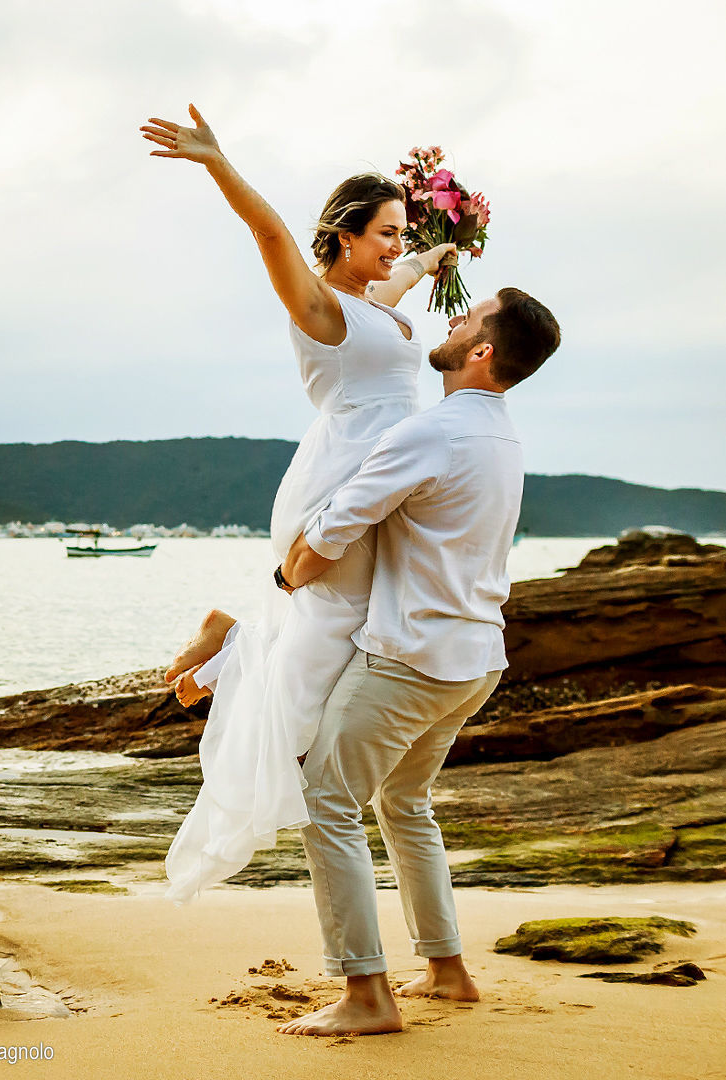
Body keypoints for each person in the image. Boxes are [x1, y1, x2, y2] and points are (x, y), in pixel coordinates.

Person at [138, 105, 456, 899]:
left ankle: (231, 643)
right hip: (340, 481)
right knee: (331, 642)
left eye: (397, 232)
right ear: (345, 235)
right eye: (383, 232)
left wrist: (438, 247)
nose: (393, 246)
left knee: (349, 632)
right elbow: (270, 234)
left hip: (385, 476)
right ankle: (236, 650)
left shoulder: (378, 298)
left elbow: (409, 273)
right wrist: (216, 162)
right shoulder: (319, 305)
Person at [274, 287, 561, 1036]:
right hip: (474, 660)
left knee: (324, 802)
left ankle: (365, 994)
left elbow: (334, 527)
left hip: (412, 658)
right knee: (404, 803)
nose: (452, 321)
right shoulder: (503, 435)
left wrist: (283, 579)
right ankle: (446, 971)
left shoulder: (431, 432)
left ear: (481, 352)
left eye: (466, 319)